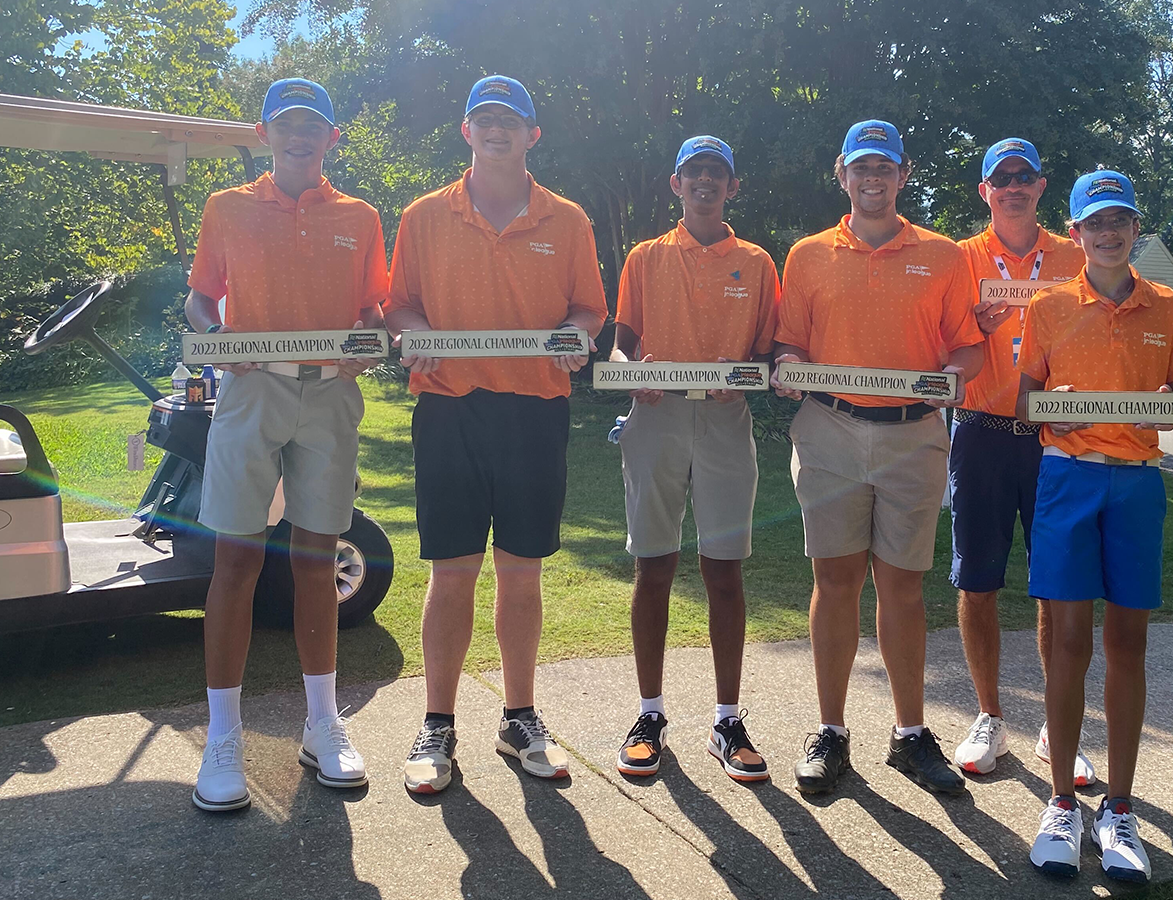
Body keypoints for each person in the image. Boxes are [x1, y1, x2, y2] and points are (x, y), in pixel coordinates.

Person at [384, 75, 608, 793]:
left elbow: (587, 311)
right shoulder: (423, 216)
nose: (497, 130)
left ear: (532, 135)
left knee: (522, 573)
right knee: (451, 572)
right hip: (449, 409)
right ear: (466, 130)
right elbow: (403, 308)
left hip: (533, 410)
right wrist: (414, 337)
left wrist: (576, 338)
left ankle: (518, 717)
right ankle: (438, 725)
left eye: (511, 120)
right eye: (485, 119)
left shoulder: (568, 219)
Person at [186, 78, 389, 812]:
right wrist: (211, 337)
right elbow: (200, 296)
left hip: (330, 391)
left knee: (316, 558)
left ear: (332, 138)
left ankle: (322, 724)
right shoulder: (227, 207)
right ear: (265, 134)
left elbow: (373, 308)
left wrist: (373, 339)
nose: (300, 135)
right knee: (236, 559)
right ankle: (223, 738)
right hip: (251, 390)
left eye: (314, 125)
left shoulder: (360, 216)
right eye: (286, 124)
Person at [773, 119, 984, 796]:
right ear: (842, 174)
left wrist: (954, 372)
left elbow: (967, 345)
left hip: (912, 432)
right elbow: (788, 343)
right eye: (861, 168)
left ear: (903, 175)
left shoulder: (945, 255)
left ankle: (911, 734)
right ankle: (831, 732)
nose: (873, 179)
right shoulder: (806, 255)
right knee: (833, 583)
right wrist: (787, 366)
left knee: (902, 587)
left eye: (884, 168)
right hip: (828, 429)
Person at [1017, 169, 1173, 882]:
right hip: (1067, 479)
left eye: (1120, 221)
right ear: (1077, 231)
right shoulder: (1051, 305)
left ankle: (1118, 808)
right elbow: (1027, 405)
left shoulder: (1169, 305)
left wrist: (1169, 406)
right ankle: (1062, 801)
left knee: (1127, 642)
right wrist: (1050, 405)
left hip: (1137, 485)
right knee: (1067, 642)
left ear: (1134, 226)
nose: (1109, 233)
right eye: (1095, 223)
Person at [609, 135, 780, 782]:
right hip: (656, 416)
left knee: (725, 571)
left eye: (718, 173)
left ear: (732, 186)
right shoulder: (645, 257)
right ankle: (650, 715)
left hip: (725, 420)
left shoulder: (759, 262)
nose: (705, 182)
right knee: (653, 565)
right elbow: (620, 347)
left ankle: (727, 720)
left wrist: (748, 372)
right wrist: (631, 375)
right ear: (674, 183)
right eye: (694, 173)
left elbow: (768, 354)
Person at [947, 138, 1095, 787]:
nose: (1012, 185)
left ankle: (1058, 728)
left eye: (1023, 176)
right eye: (999, 177)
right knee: (977, 581)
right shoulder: (958, 260)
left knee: (1056, 584)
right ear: (985, 191)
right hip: (980, 430)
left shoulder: (1075, 255)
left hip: (1055, 439)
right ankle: (989, 715)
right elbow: (941, 343)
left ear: (1041, 186)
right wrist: (973, 327)